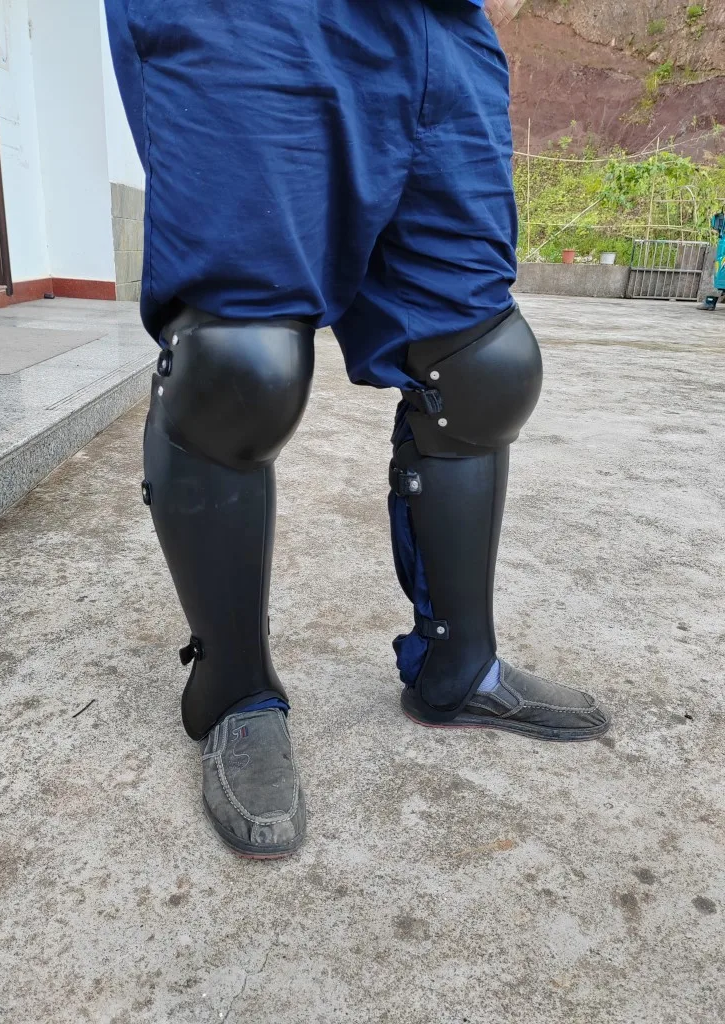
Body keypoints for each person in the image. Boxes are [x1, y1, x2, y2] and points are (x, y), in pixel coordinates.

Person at [105, 0, 610, 860]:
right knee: (238, 369)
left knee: (483, 366)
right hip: (250, 19)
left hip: (437, 26)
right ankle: (234, 693)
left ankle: (459, 666)